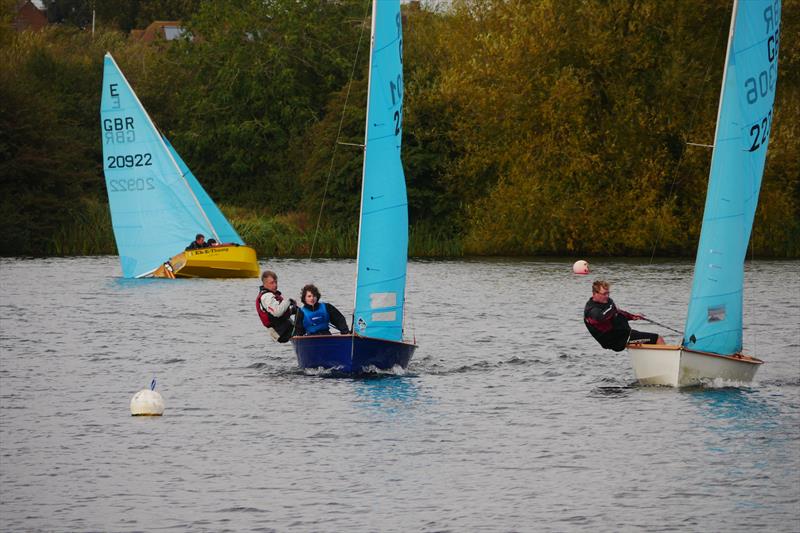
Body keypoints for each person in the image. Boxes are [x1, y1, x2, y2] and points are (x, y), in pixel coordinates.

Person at [584, 280, 664, 352]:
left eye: (608, 293)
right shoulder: (592, 310)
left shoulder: (607, 303)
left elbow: (617, 313)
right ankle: (667, 365)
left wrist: (632, 316)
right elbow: (601, 318)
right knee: (657, 339)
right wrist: (612, 306)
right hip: (617, 340)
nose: (607, 296)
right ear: (595, 293)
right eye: (604, 294)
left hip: (625, 334)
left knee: (644, 343)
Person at [256, 270, 297, 343]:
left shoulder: (271, 295)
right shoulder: (266, 297)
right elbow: (277, 312)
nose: (275, 285)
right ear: (265, 284)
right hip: (280, 332)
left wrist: (292, 310)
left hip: (285, 328)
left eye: (276, 282)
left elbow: (278, 314)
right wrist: (289, 301)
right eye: (272, 283)